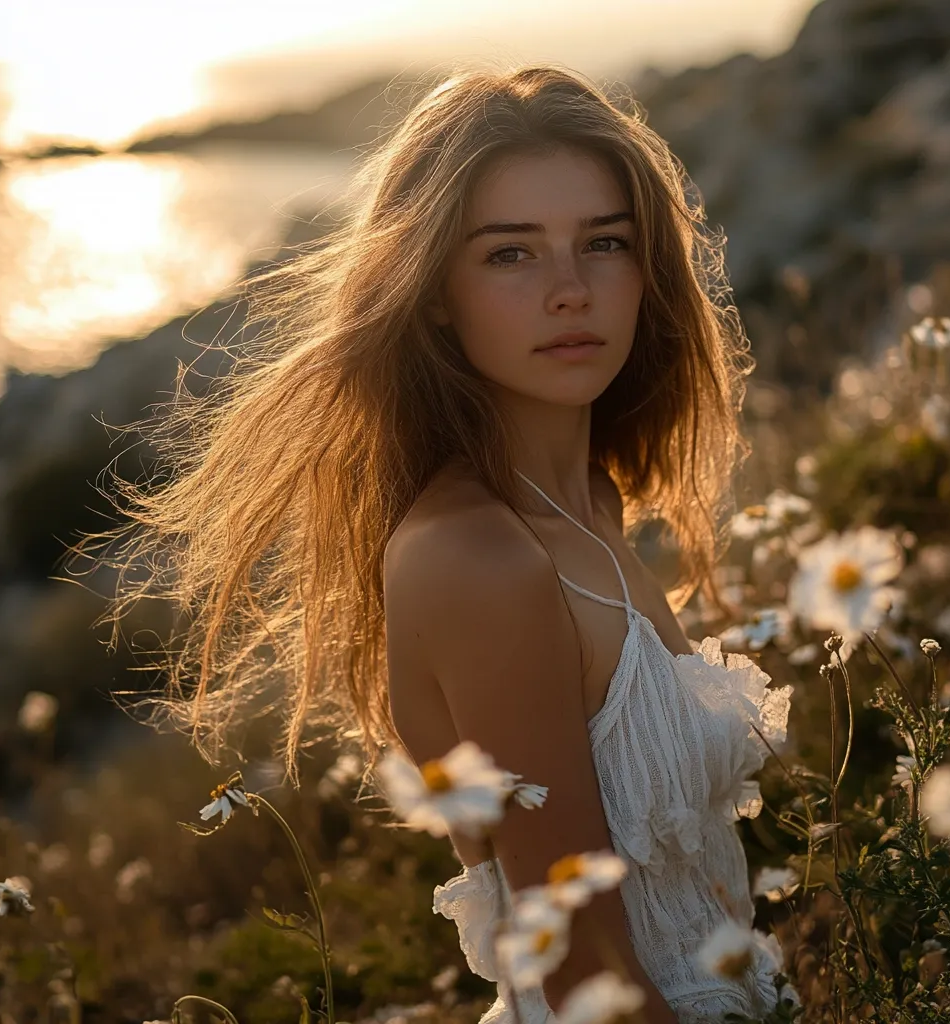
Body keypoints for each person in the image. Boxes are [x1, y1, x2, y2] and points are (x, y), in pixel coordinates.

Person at [73, 63, 787, 1023]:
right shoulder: (478, 559)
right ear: (435, 291)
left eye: (604, 243)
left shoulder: (589, 508)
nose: (570, 290)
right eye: (510, 254)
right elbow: (587, 979)